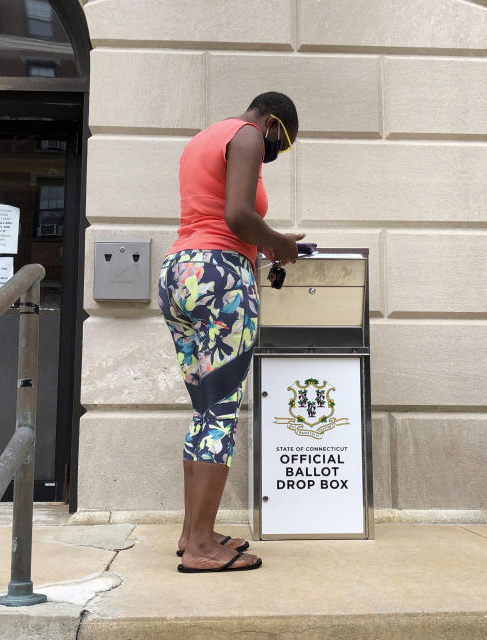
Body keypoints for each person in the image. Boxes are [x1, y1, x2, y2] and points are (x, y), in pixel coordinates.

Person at [158, 92, 303, 573]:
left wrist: (265, 250)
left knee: (204, 410)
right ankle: (201, 548)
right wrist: (282, 246)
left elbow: (216, 217)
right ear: (274, 124)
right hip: (221, 276)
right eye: (279, 146)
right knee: (220, 414)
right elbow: (238, 216)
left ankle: (191, 532)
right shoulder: (246, 135)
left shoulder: (203, 139)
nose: (273, 155)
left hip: (181, 273)